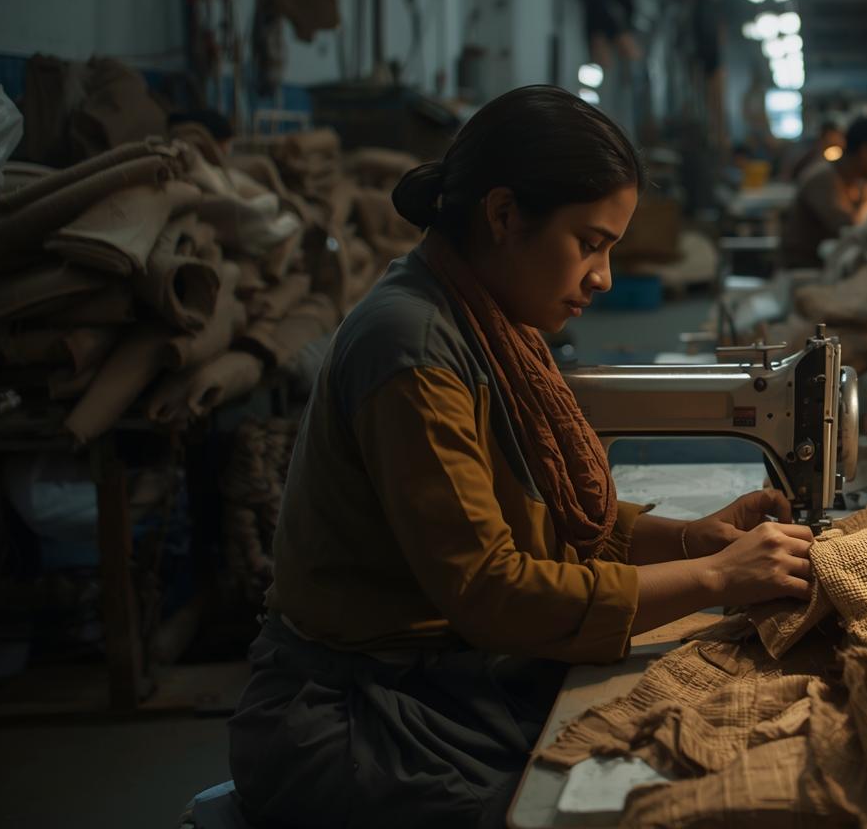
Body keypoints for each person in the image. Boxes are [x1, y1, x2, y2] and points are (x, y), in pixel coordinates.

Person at [228, 85, 816, 828]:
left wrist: (694, 538)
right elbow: (492, 590)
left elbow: (547, 515)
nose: (601, 277)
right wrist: (712, 577)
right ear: (504, 216)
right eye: (591, 243)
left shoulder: (488, 321)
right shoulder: (411, 347)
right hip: (358, 720)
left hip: (443, 684)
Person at [781, 115, 867, 269]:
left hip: (829, 272)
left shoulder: (860, 183)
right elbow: (848, 228)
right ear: (866, 152)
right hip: (804, 274)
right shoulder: (823, 179)